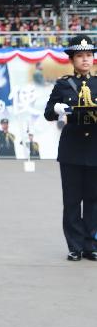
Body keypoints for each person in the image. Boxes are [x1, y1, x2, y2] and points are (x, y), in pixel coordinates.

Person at [44, 35, 97, 261]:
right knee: (72, 201)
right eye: (80, 56)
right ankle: (75, 246)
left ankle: (91, 245)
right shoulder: (63, 84)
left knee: (94, 201)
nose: (85, 60)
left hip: (95, 148)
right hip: (72, 150)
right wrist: (58, 109)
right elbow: (48, 113)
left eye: (89, 55)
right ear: (72, 59)